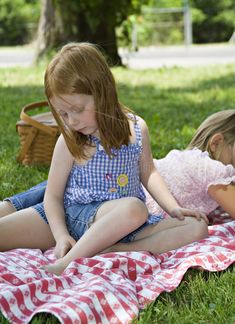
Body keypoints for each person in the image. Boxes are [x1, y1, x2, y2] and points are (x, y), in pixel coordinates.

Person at [0, 43, 207, 276]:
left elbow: (149, 173)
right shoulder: (69, 141)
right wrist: (61, 237)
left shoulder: (137, 129)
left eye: (77, 109)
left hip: (124, 227)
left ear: (103, 92)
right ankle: (70, 258)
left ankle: (111, 249)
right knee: (134, 207)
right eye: (63, 114)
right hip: (71, 219)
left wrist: (174, 207)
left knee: (197, 227)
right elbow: (53, 196)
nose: (71, 121)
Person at [103, 109, 235, 254]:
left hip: (115, 210)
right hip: (138, 218)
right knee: (197, 228)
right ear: (216, 143)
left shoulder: (194, 160)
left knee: (197, 227)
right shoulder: (212, 168)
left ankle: (112, 247)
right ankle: (121, 250)